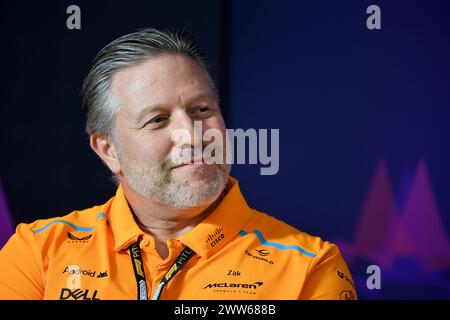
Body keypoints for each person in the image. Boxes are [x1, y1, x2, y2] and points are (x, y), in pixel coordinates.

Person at [0, 27, 357, 300]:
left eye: (202, 110)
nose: (192, 135)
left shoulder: (309, 267)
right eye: (157, 119)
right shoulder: (38, 253)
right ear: (108, 150)